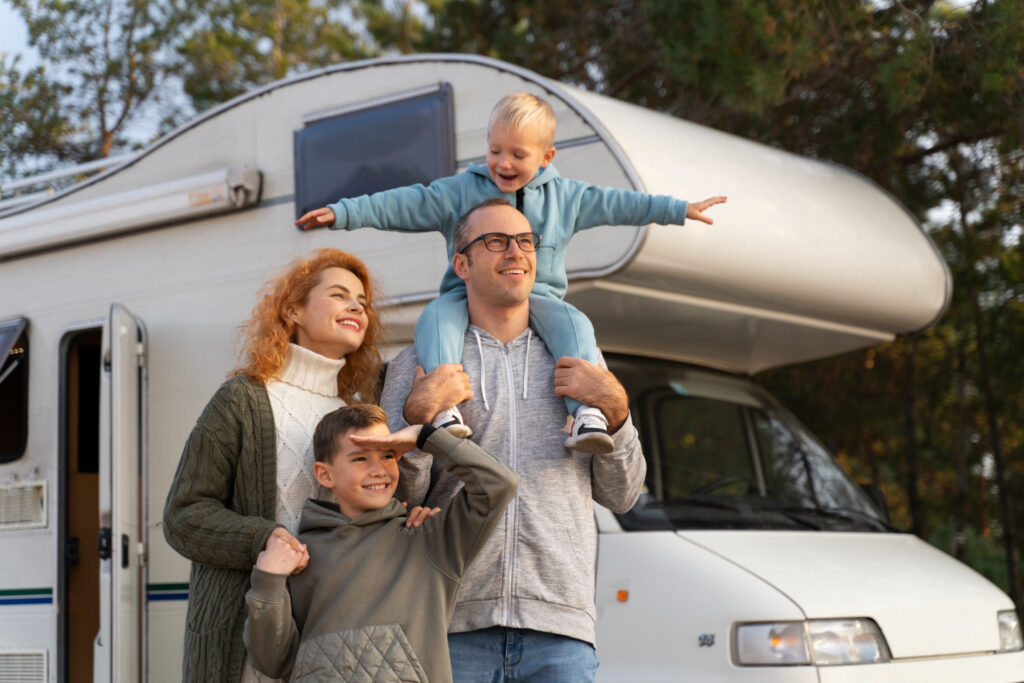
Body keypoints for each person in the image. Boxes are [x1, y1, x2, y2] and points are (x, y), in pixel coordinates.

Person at [296, 91, 725, 453]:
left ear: (547, 156)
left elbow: (625, 204)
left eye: (518, 154)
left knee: (576, 324)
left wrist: (679, 210)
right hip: (465, 297)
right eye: (494, 150)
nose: (503, 163)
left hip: (543, 299)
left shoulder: (568, 197)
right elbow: (403, 204)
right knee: (434, 318)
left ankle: (586, 416)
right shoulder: (462, 190)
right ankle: (446, 411)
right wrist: (342, 212)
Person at [380, 199, 647, 681]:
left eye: (525, 241)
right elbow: (401, 500)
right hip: (449, 626)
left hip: (560, 629)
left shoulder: (583, 362)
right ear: (461, 262)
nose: (516, 252)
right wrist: (418, 423)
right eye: (496, 241)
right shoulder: (416, 364)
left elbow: (622, 495)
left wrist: (619, 413)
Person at [162, 248, 436, 683]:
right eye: (339, 295)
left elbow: (380, 511)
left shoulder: (360, 413)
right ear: (293, 309)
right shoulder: (243, 400)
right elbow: (183, 516)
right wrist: (265, 537)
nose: (356, 307)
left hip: (335, 638)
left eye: (362, 302)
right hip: (243, 640)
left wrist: (409, 515)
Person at [243, 404, 517, 682]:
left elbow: (499, 484)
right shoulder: (299, 557)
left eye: (388, 455)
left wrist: (425, 437)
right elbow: (273, 663)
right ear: (325, 475)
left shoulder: (429, 539)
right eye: (360, 458)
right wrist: (268, 582)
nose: (378, 470)